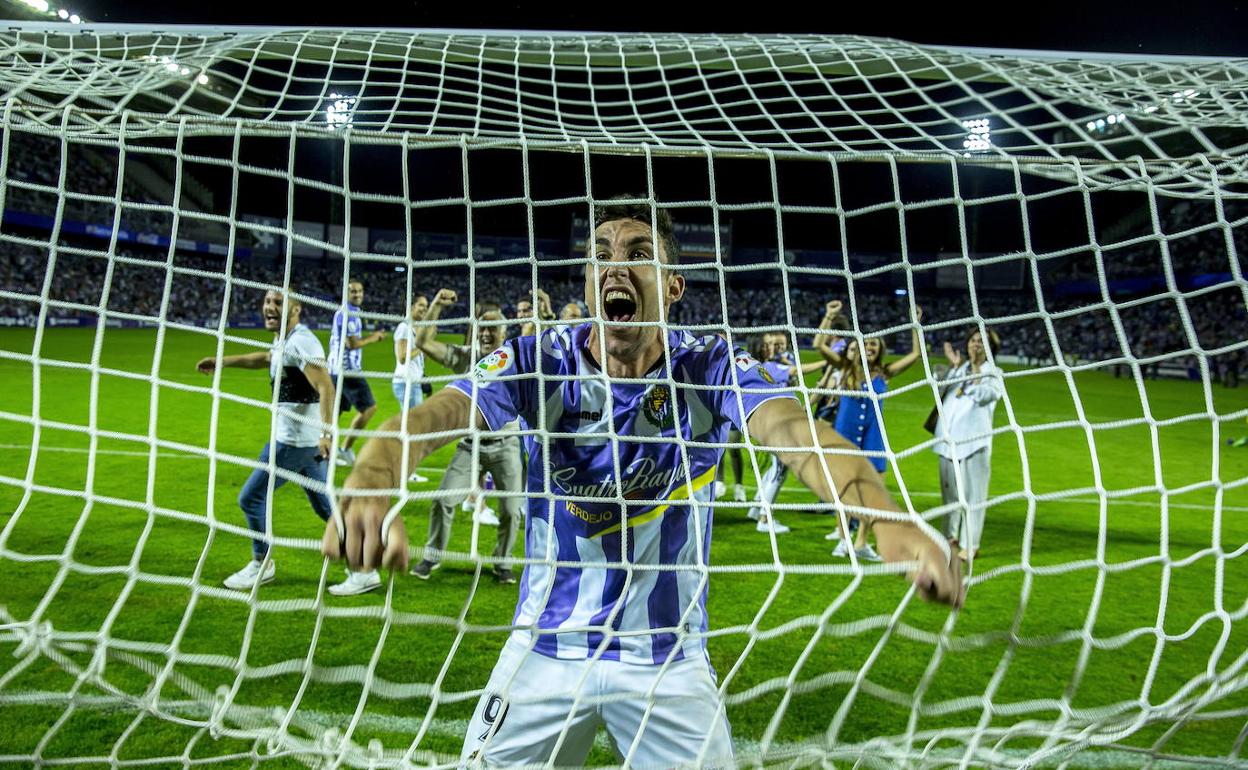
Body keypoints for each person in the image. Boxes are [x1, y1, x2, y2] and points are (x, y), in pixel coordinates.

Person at [322, 199, 962, 768]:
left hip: (668, 662)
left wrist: (883, 516)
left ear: (673, 284)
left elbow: (795, 433)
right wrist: (374, 479)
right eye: (601, 255)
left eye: (638, 253)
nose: (615, 266)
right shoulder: (542, 360)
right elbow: (436, 416)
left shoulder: (709, 364)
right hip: (545, 648)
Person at [195, 290, 379, 596]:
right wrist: (223, 361)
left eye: (278, 303)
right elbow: (265, 358)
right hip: (299, 443)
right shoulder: (285, 340)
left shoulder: (301, 341)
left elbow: (326, 387)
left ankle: (261, 563)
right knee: (326, 508)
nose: (270, 307)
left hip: (295, 442)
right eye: (267, 301)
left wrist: (327, 434)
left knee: (251, 498)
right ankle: (363, 570)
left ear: (296, 309)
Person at [407, 288, 524, 585]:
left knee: (511, 511)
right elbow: (422, 342)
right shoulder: (466, 357)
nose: (486, 333)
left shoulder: (518, 360)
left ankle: (503, 563)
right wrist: (435, 306)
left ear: (504, 331)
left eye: (493, 328)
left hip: (506, 445)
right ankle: (431, 557)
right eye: (482, 327)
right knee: (442, 501)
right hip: (470, 445)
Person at [830, 310, 925, 562]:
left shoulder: (884, 373)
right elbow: (819, 346)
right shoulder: (846, 369)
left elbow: (915, 355)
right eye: (866, 342)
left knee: (874, 492)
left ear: (880, 349)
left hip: (874, 437)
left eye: (874, 343)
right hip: (846, 435)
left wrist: (914, 324)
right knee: (845, 490)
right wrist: (830, 317)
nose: (869, 346)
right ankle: (842, 539)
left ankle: (861, 542)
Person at [933, 328, 1005, 562]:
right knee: (950, 496)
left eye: (982, 342)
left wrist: (974, 368)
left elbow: (986, 396)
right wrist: (954, 366)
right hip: (948, 442)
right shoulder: (960, 369)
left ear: (990, 348)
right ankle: (950, 538)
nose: (976, 345)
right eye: (974, 340)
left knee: (974, 498)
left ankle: (970, 545)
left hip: (974, 444)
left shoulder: (994, 372)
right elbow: (940, 390)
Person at [744, 332, 826, 534]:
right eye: (768, 344)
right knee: (779, 470)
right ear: (760, 347)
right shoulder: (768, 367)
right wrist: (825, 362)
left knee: (773, 468)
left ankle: (756, 508)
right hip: (778, 424)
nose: (773, 348)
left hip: (769, 422)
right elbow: (794, 371)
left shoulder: (756, 366)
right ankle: (764, 519)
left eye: (774, 344)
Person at [328, 278, 388, 467]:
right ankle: (344, 449)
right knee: (369, 408)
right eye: (353, 291)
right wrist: (374, 337)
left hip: (335, 369)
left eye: (360, 291)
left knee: (334, 414)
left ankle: (322, 452)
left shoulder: (348, 312)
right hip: (347, 370)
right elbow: (352, 344)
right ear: (346, 294)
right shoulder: (348, 314)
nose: (358, 295)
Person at [392, 295, 431, 483]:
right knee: (413, 429)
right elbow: (402, 357)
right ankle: (406, 472)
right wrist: (423, 348)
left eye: (426, 306)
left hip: (413, 383)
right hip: (405, 383)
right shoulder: (404, 328)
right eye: (421, 305)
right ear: (411, 306)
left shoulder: (413, 328)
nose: (424, 309)